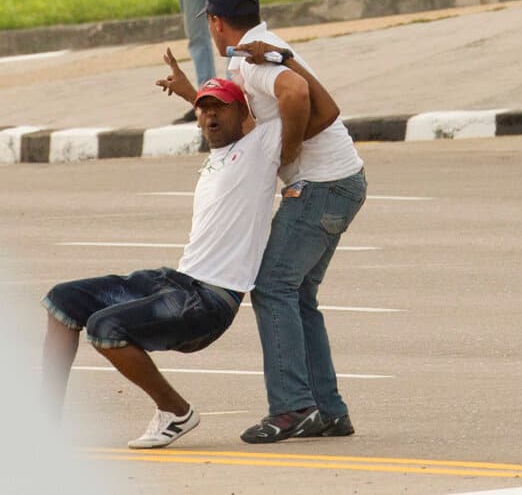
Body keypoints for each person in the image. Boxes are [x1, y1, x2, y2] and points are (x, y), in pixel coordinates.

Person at [41, 75, 321, 448]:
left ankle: (175, 412)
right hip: (176, 280)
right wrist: (194, 93)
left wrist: (275, 60)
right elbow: (213, 116)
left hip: (209, 298)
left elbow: (307, 101)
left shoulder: (261, 147)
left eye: (220, 108)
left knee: (105, 328)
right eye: (203, 109)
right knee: (62, 300)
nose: (210, 115)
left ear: (243, 113)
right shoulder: (218, 154)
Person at [161, 0, 367, 444]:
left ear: (216, 22)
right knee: (297, 295)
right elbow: (248, 126)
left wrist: (289, 149)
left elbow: (296, 93)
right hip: (338, 183)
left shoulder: (252, 60)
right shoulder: (258, 50)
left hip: (321, 187)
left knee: (273, 287)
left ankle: (292, 409)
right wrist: (192, 94)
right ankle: (328, 411)